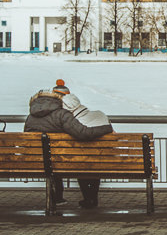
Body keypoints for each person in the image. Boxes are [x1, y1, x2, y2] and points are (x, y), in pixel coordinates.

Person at [25, 79, 113, 208]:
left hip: (34, 159)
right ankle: (88, 199)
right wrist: (107, 128)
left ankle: (57, 197)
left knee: (51, 159)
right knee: (78, 161)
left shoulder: (30, 116)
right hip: (61, 159)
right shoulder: (61, 114)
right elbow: (83, 133)